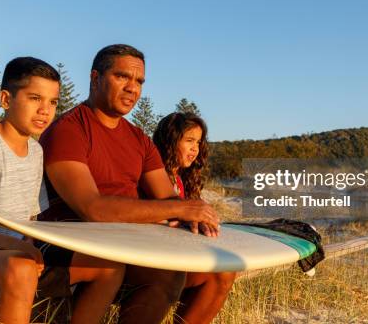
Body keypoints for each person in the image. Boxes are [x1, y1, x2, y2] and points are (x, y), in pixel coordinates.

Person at [0, 57, 125, 324]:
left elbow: (30, 223)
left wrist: (27, 246)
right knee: (22, 268)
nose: (45, 110)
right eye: (34, 98)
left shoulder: (36, 151)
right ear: (6, 100)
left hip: (13, 253)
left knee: (108, 266)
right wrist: (12, 245)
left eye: (53, 102)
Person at [38, 44, 220, 323]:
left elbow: (167, 198)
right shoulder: (70, 130)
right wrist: (179, 210)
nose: (132, 88)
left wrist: (196, 215)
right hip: (81, 246)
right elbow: (92, 209)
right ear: (95, 77)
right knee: (165, 272)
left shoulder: (139, 139)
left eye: (139, 81)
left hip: (130, 243)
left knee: (218, 272)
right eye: (122, 77)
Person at [153, 112, 237, 324]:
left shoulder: (181, 180)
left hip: (178, 258)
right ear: (170, 141)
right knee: (221, 273)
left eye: (198, 142)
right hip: (151, 261)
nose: (195, 149)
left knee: (225, 271)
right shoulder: (152, 175)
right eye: (189, 141)